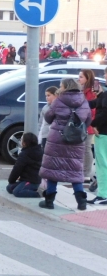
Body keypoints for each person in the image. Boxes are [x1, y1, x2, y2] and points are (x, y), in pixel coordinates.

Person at [39, 77, 92, 210]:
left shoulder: (58, 101)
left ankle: (49, 201)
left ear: (65, 87)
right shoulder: (84, 101)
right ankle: (81, 202)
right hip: (76, 140)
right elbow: (88, 120)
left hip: (57, 139)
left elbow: (49, 117)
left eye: (61, 86)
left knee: (53, 169)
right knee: (75, 170)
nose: (59, 88)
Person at [88, 68, 107, 204]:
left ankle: (103, 194)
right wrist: (100, 95)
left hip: (104, 132)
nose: (105, 75)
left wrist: (94, 124)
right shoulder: (104, 94)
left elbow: (104, 112)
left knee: (102, 164)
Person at [79, 69, 100, 187]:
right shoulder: (83, 89)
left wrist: (90, 122)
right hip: (83, 123)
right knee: (82, 148)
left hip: (89, 124)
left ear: (87, 78)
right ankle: (83, 171)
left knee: (86, 148)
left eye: (81, 77)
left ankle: (86, 173)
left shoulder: (91, 91)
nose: (79, 79)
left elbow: (93, 109)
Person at [6, 132, 42, 198]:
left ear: (25, 143)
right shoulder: (40, 151)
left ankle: (39, 194)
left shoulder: (24, 154)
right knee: (9, 188)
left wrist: (11, 180)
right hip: (30, 179)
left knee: (17, 192)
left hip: (32, 181)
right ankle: (30, 189)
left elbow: (16, 169)